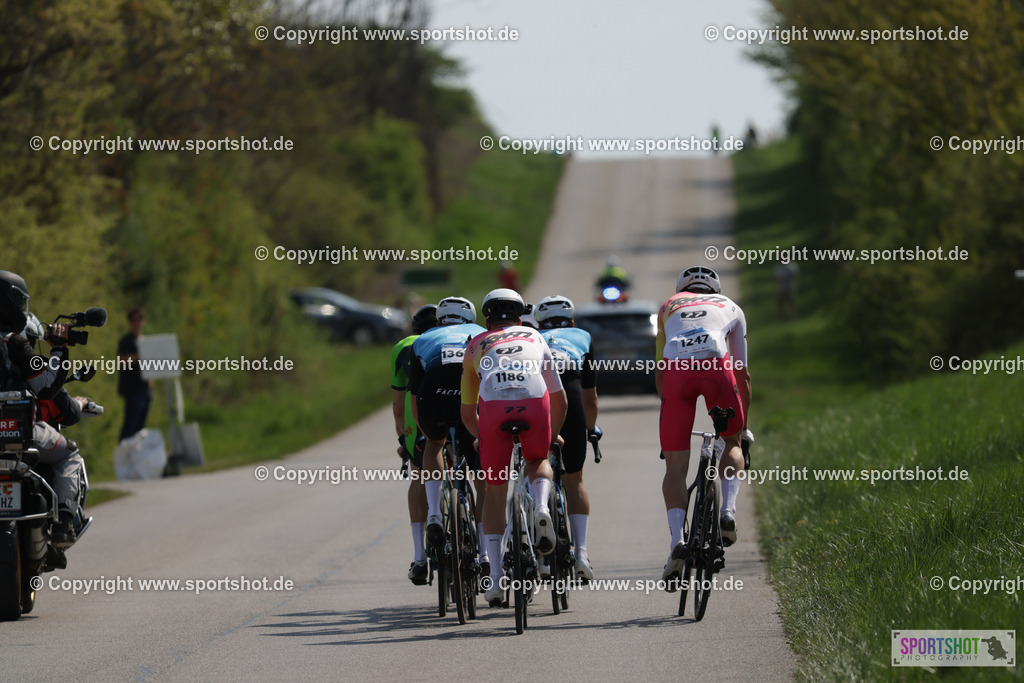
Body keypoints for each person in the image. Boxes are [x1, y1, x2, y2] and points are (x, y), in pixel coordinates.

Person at [460, 288, 567, 606]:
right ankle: (542, 507)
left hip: (493, 412)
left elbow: (467, 412)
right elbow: (559, 398)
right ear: (520, 317)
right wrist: (552, 436)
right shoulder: (536, 337)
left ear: (487, 318)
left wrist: (481, 435)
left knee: (494, 491)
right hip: (535, 404)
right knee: (537, 459)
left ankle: (494, 580)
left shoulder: (475, 345)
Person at [655, 266, 751, 590]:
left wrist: (666, 409)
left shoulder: (667, 306)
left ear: (681, 288)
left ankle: (677, 541)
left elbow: (659, 369)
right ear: (716, 289)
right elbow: (742, 374)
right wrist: (742, 429)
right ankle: (728, 510)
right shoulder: (731, 307)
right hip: (717, 370)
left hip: (677, 375)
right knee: (732, 443)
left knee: (675, 467)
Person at [0, 270, 86, 547]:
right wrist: (59, 350)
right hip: (17, 431)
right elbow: (46, 386)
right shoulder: (14, 342)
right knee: (70, 454)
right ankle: (62, 523)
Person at [408, 297, 489, 575]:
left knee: (434, 444)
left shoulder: (422, 339)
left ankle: (434, 512)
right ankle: (486, 550)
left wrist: (427, 432)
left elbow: (414, 396)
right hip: (468, 394)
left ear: (440, 319)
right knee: (482, 477)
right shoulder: (481, 334)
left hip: (433, 393)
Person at [535, 295, 600, 581]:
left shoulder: (531, 337)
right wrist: (590, 430)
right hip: (571, 397)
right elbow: (591, 399)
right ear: (571, 322)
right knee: (575, 477)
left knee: (534, 467)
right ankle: (582, 554)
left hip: (540, 398)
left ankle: (538, 550)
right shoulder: (582, 336)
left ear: (539, 323)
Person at [390, 304, 437, 585]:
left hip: (417, 416)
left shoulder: (404, 346)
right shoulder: (464, 336)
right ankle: (483, 553)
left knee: (420, 474)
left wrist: (403, 441)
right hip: (457, 407)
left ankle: (420, 558)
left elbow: (399, 407)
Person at [117, 306, 151, 441]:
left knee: (140, 428)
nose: (137, 322)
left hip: (144, 389)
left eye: (140, 318)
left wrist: (150, 384)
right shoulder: (126, 340)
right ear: (130, 321)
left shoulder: (144, 340)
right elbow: (121, 361)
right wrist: (138, 355)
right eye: (134, 319)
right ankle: (123, 453)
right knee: (130, 426)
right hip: (132, 389)